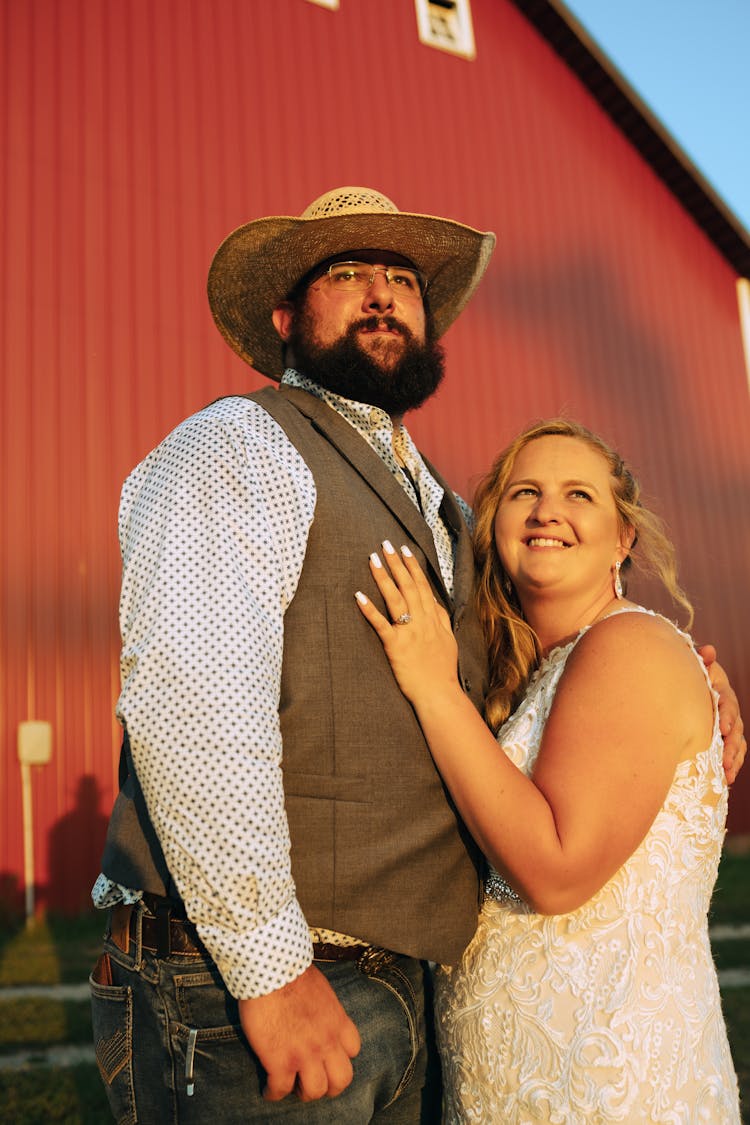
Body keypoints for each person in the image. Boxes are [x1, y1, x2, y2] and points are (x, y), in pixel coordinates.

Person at [87, 185, 743, 1124]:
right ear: (285, 317)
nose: (381, 293)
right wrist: (269, 970)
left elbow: (562, 676)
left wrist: (695, 690)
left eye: (400, 277)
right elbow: (189, 699)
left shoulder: (453, 521)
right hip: (255, 980)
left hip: (414, 990)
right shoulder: (240, 445)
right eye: (346, 275)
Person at [355, 418, 742, 1123]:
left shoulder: (630, 647)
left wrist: (434, 687)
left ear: (625, 537)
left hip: (608, 1085)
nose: (547, 511)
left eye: (579, 495)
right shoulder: (542, 669)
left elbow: (558, 868)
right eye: (523, 491)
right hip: (517, 1083)